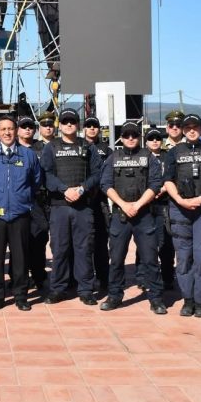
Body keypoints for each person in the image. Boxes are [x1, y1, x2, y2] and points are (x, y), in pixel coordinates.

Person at [100, 121, 166, 314]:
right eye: (127, 135)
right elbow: (106, 184)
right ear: (121, 137)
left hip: (143, 214)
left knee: (150, 258)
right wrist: (123, 204)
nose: (130, 138)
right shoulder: (113, 158)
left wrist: (137, 205)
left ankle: (156, 299)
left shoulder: (149, 158)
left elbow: (155, 185)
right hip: (120, 215)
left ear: (139, 137)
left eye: (134, 135)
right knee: (117, 259)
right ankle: (114, 296)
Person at [163, 114, 201, 318]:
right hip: (180, 208)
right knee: (183, 259)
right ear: (181, 129)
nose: (191, 130)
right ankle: (187, 300)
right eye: (187, 127)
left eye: (195, 127)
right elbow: (168, 180)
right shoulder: (173, 152)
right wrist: (181, 200)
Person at [40, 107, 102, 305]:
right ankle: (58, 288)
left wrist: (82, 189)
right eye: (65, 121)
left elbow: (97, 174)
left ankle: (85, 289)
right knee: (60, 249)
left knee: (84, 248)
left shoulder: (88, 147)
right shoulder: (51, 147)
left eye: (72, 121)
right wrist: (64, 189)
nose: (69, 124)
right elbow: (46, 174)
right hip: (59, 206)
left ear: (78, 125)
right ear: (60, 124)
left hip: (83, 207)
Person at [0, 115, 42, 311]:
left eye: (10, 129)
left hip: (20, 214)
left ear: (16, 131)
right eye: (3, 129)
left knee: (20, 257)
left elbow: (36, 181)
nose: (7, 132)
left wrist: (21, 198)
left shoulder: (28, 155)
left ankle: (21, 296)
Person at [16, 115, 49, 290]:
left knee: (39, 238)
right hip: (17, 201)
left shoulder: (43, 148)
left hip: (39, 200)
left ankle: (39, 275)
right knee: (17, 240)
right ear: (18, 129)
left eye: (30, 126)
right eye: (23, 126)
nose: (27, 129)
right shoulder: (11, 148)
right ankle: (17, 276)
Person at [144, 126, 176, 290]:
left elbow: (173, 175)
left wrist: (162, 188)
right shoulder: (142, 156)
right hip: (146, 205)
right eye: (151, 138)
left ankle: (168, 277)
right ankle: (144, 278)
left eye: (158, 138)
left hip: (165, 204)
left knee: (166, 243)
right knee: (146, 243)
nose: (155, 141)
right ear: (146, 141)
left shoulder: (168, 156)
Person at [83, 115, 111, 292]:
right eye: (89, 125)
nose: (92, 128)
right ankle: (79, 278)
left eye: (95, 126)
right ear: (83, 128)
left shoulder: (106, 150)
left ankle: (103, 277)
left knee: (101, 242)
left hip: (100, 201)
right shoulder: (79, 146)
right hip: (83, 199)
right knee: (82, 243)